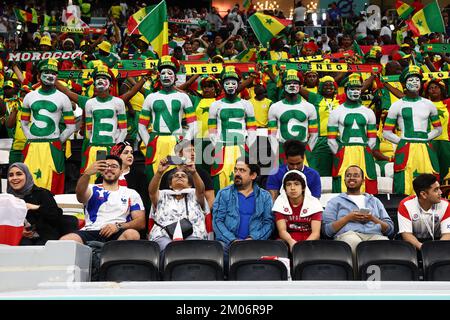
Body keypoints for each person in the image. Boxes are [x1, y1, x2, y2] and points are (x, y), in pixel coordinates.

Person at [383, 66, 442, 195]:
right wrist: (403, 141)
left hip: (425, 148)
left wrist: (426, 137)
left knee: (429, 179)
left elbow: (438, 129)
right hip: (406, 148)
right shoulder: (396, 105)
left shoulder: (429, 104)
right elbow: (386, 132)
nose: (415, 82)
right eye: (411, 79)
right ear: (404, 84)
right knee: (403, 180)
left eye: (417, 80)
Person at [60, 155, 146, 244]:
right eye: (106, 166)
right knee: (65, 240)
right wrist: (87, 174)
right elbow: (80, 195)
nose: (109, 169)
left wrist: (118, 226)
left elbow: (141, 222)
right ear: (101, 171)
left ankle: (109, 255)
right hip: (91, 231)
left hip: (117, 232)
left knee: (132, 234)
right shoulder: (91, 188)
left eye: (114, 166)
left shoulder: (131, 193)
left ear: (121, 172)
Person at [20, 59, 76, 194]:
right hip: (32, 145)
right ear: (39, 75)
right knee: (28, 180)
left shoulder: (63, 98)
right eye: (46, 72)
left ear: (57, 76)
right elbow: (24, 122)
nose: (50, 76)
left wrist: (58, 140)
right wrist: (30, 137)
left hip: (52, 145)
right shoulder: (29, 96)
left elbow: (71, 126)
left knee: (54, 181)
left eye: (53, 73)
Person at [138, 55, 196, 181]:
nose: (165, 75)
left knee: (177, 178)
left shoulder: (184, 97)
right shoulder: (151, 97)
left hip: (176, 141)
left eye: (169, 73)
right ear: (159, 76)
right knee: (154, 178)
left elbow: (193, 124)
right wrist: (149, 143)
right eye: (162, 73)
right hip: (156, 140)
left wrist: (184, 143)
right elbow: (142, 125)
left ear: (175, 77)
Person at [323, 165, 394, 254]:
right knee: (353, 242)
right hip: (348, 235)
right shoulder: (335, 201)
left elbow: (390, 230)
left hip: (374, 234)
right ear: (344, 180)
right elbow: (327, 231)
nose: (351, 178)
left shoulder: (375, 201)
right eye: (348, 175)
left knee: (384, 243)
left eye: (356, 175)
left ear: (363, 181)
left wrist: (373, 219)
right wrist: (348, 218)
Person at [213, 157, 274, 261]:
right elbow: (217, 221)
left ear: (253, 175)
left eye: (242, 170)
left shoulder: (265, 196)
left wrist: (253, 238)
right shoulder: (223, 194)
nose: (237, 173)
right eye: (236, 170)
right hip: (228, 245)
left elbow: (269, 223)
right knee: (217, 250)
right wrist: (232, 240)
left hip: (256, 243)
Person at [208, 66, 256, 192]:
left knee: (244, 181)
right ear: (222, 85)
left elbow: (252, 129)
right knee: (220, 181)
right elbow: (212, 130)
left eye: (233, 83)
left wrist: (248, 147)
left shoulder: (246, 104)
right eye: (227, 83)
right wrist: (217, 146)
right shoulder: (215, 105)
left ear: (238, 84)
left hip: (241, 146)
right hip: (222, 147)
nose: (230, 85)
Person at [327, 74, 378, 194]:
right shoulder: (336, 112)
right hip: (344, 150)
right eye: (352, 89)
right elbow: (331, 139)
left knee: (366, 181)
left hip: (363, 150)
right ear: (345, 91)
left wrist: (366, 151)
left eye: (358, 89)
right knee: (343, 181)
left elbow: (372, 139)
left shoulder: (368, 112)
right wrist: (339, 153)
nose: (355, 92)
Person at [148, 158, 208, 252]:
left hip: (193, 235)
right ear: (170, 185)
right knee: (169, 250)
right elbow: (151, 192)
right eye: (176, 176)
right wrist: (159, 173)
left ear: (189, 185)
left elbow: (201, 191)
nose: (179, 176)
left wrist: (193, 172)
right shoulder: (162, 195)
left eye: (183, 176)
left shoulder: (194, 194)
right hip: (164, 235)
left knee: (191, 250)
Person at [268, 69, 318, 163]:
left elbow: (314, 133)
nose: (292, 85)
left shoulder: (309, 107)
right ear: (283, 86)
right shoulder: (274, 107)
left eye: (295, 83)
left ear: (300, 86)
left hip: (303, 148)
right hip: (283, 148)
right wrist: (277, 151)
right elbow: (272, 134)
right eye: (289, 83)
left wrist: (308, 150)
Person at [7, 163, 63, 245]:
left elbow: (55, 217)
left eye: (19, 174)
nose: (14, 178)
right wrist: (20, 231)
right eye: (11, 175)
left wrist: (36, 207)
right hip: (19, 238)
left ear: (27, 176)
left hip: (46, 238)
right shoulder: (7, 198)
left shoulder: (42, 193)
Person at [273, 170, 322, 252]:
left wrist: (303, 246)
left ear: (303, 187)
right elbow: (282, 231)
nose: (292, 188)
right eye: (288, 185)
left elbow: (316, 233)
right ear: (284, 189)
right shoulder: (280, 203)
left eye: (296, 184)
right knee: (277, 246)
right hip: (288, 241)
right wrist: (291, 242)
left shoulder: (314, 203)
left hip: (310, 241)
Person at [159, 140, 215, 211]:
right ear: (179, 154)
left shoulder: (203, 174)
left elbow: (210, 198)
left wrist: (203, 215)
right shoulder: (167, 175)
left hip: (196, 218)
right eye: (189, 151)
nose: (193, 154)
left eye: (194, 150)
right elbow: (160, 199)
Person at [398, 174, 450, 250]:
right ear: (423, 194)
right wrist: (424, 249)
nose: (440, 192)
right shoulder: (406, 205)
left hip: (438, 241)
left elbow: (447, 234)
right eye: (436, 190)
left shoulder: (446, 205)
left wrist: (436, 249)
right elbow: (407, 235)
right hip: (414, 243)